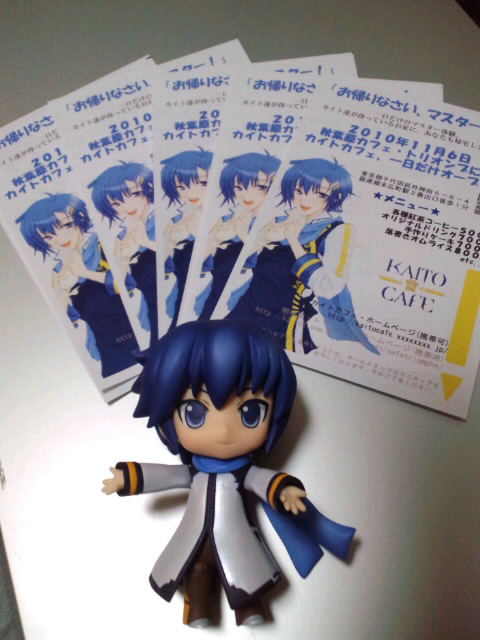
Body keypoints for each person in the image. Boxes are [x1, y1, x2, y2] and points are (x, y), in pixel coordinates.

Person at [102, 320, 356, 627]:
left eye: (250, 412)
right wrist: (128, 478)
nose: (224, 431)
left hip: (237, 540)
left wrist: (285, 490)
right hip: (193, 540)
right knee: (196, 571)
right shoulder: (194, 472)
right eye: (195, 413)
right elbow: (169, 475)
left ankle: (249, 609)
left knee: (245, 576)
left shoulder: (243, 473)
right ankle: (198, 610)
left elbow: (262, 480)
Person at [227, 158, 380, 355]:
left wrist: (294, 241)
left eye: (320, 194)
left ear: (337, 195)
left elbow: (330, 286)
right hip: (247, 305)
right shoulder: (280, 219)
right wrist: (242, 233)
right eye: (299, 191)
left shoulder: (337, 230)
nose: (305, 200)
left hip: (284, 317)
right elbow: (252, 260)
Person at [16, 193, 139, 378]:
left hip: (137, 330)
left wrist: (85, 273)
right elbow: (64, 319)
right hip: (106, 345)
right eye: (48, 237)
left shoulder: (104, 245)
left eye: (66, 226)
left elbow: (128, 283)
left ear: (80, 218)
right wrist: (63, 292)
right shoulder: (58, 271)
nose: (60, 238)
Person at [195, 151, 281, 319]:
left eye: (259, 187)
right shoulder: (226, 219)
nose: (246, 195)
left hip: (251, 295)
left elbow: (265, 259)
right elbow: (199, 262)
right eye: (239, 187)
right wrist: (212, 241)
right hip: (217, 290)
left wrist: (243, 234)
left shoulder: (275, 223)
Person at [88, 161, 158, 343]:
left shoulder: (168, 220)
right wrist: (123, 260)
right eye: (116, 203)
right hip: (147, 312)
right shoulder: (120, 238)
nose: (127, 206)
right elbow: (118, 287)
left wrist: (146, 243)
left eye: (134, 194)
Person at [160, 148, 213, 326]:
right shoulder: (174, 222)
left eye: (202, 183)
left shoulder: (228, 220)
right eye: (181, 187)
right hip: (181, 293)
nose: (191, 193)